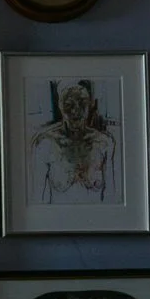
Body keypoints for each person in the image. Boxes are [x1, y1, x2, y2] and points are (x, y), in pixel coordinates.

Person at [28, 78, 120, 206]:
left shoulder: (105, 143)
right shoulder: (45, 143)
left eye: (82, 103)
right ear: (60, 107)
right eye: (69, 105)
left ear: (90, 106)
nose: (75, 111)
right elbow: (36, 199)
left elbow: (113, 197)